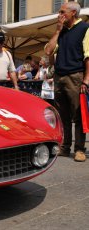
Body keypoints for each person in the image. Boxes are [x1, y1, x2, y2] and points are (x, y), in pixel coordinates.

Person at [44, 1, 88, 162]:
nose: (59, 15)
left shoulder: (84, 28)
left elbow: (88, 56)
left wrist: (86, 80)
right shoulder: (61, 31)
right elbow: (48, 51)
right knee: (63, 115)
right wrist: (57, 31)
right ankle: (65, 147)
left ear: (73, 13)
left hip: (75, 76)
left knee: (78, 115)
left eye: (62, 12)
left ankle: (79, 149)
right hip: (59, 76)